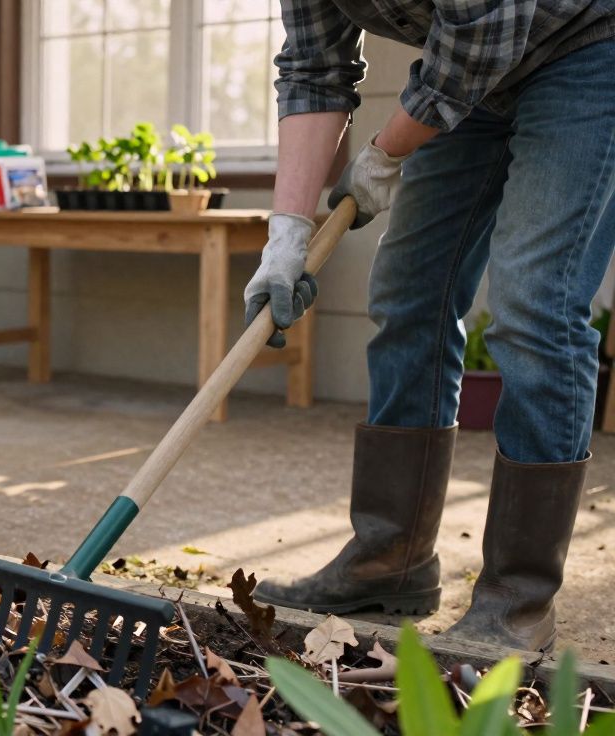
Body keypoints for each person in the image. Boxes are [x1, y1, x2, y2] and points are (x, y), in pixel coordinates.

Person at [245, 0, 615, 650]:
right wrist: (286, 233)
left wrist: (387, 150)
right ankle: (393, 560)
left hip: (586, 47)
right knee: (409, 289)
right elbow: (313, 68)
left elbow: (483, 31)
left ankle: (518, 604)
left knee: (536, 300)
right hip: (470, 74)